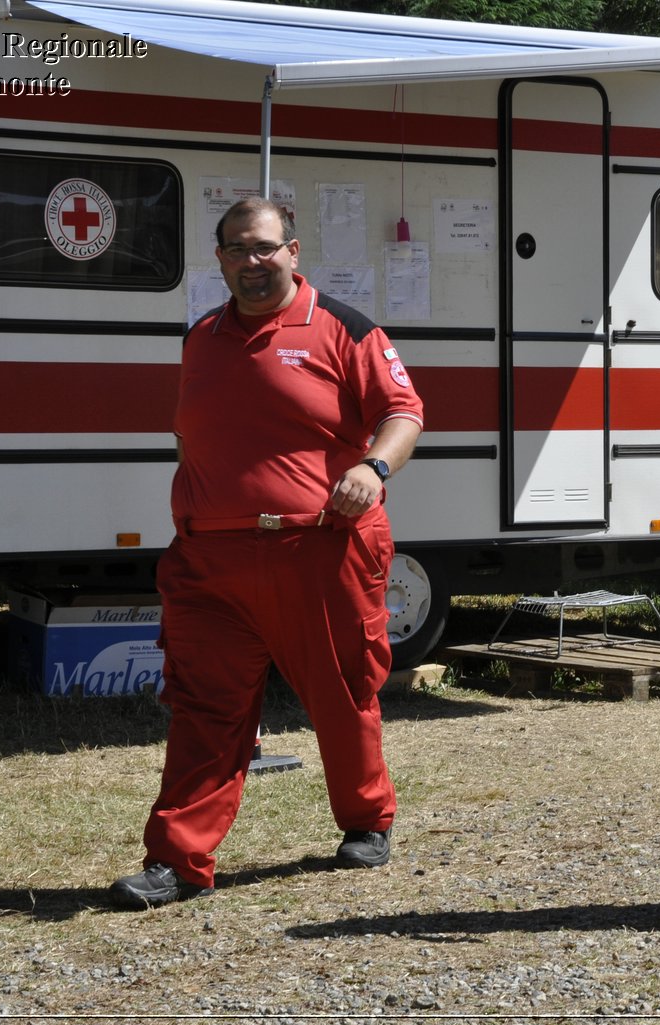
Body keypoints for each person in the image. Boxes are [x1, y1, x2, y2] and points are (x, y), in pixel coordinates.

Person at [110, 197, 424, 909]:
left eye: (264, 248)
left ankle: (366, 818)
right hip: (211, 561)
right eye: (236, 250)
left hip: (318, 548)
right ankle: (178, 861)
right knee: (203, 708)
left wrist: (371, 470)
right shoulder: (202, 338)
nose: (252, 263)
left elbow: (405, 413)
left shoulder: (344, 328)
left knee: (343, 695)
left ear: (293, 250)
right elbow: (191, 436)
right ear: (218, 258)